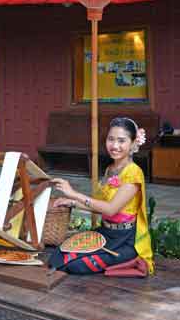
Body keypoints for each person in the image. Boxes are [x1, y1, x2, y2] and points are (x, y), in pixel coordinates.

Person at [48, 117, 154, 275]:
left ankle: (128, 259)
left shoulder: (133, 173)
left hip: (124, 240)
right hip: (105, 233)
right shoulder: (110, 169)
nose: (115, 146)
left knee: (76, 265)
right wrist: (72, 202)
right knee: (59, 255)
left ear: (132, 144)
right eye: (111, 139)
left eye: (121, 141)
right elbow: (100, 206)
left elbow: (111, 210)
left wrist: (74, 193)